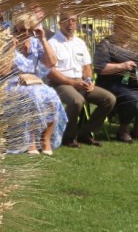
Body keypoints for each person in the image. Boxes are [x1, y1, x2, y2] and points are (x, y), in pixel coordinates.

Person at [48, 13, 116, 147]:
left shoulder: (80, 43)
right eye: (67, 21)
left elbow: (86, 67)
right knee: (77, 101)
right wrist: (73, 83)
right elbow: (51, 73)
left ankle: (85, 133)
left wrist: (89, 80)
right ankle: (68, 137)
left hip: (80, 81)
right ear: (60, 23)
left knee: (109, 99)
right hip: (60, 83)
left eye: (73, 20)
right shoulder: (52, 43)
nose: (71, 24)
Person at [3, 17, 69, 155]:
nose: (25, 33)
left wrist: (43, 39)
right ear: (15, 30)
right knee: (32, 96)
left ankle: (45, 138)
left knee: (51, 95)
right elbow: (4, 71)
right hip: (11, 83)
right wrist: (11, 48)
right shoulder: (7, 44)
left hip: (33, 82)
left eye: (30, 31)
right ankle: (31, 140)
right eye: (21, 30)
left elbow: (51, 62)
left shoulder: (35, 43)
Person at [93, 21, 138, 143]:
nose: (130, 33)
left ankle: (137, 129)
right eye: (127, 29)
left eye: (131, 29)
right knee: (130, 97)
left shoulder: (134, 46)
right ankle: (123, 130)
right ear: (116, 28)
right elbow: (100, 68)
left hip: (131, 82)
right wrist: (121, 66)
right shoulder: (106, 44)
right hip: (109, 82)